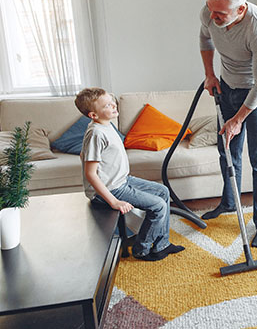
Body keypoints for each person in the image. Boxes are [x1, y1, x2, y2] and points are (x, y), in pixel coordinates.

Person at [198, 0, 257, 248]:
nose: (212, 16)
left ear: (240, 9)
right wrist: (210, 74)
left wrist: (237, 119)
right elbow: (205, 37)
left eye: (220, 13)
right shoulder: (211, 12)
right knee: (227, 152)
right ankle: (229, 203)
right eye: (210, 9)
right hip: (227, 87)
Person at [75, 87, 185, 261]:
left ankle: (161, 244)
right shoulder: (96, 133)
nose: (113, 105)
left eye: (111, 101)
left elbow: (84, 155)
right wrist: (114, 201)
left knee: (163, 191)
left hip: (121, 181)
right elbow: (90, 174)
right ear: (93, 115)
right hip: (110, 189)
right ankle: (142, 249)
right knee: (158, 206)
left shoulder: (105, 125)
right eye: (106, 105)